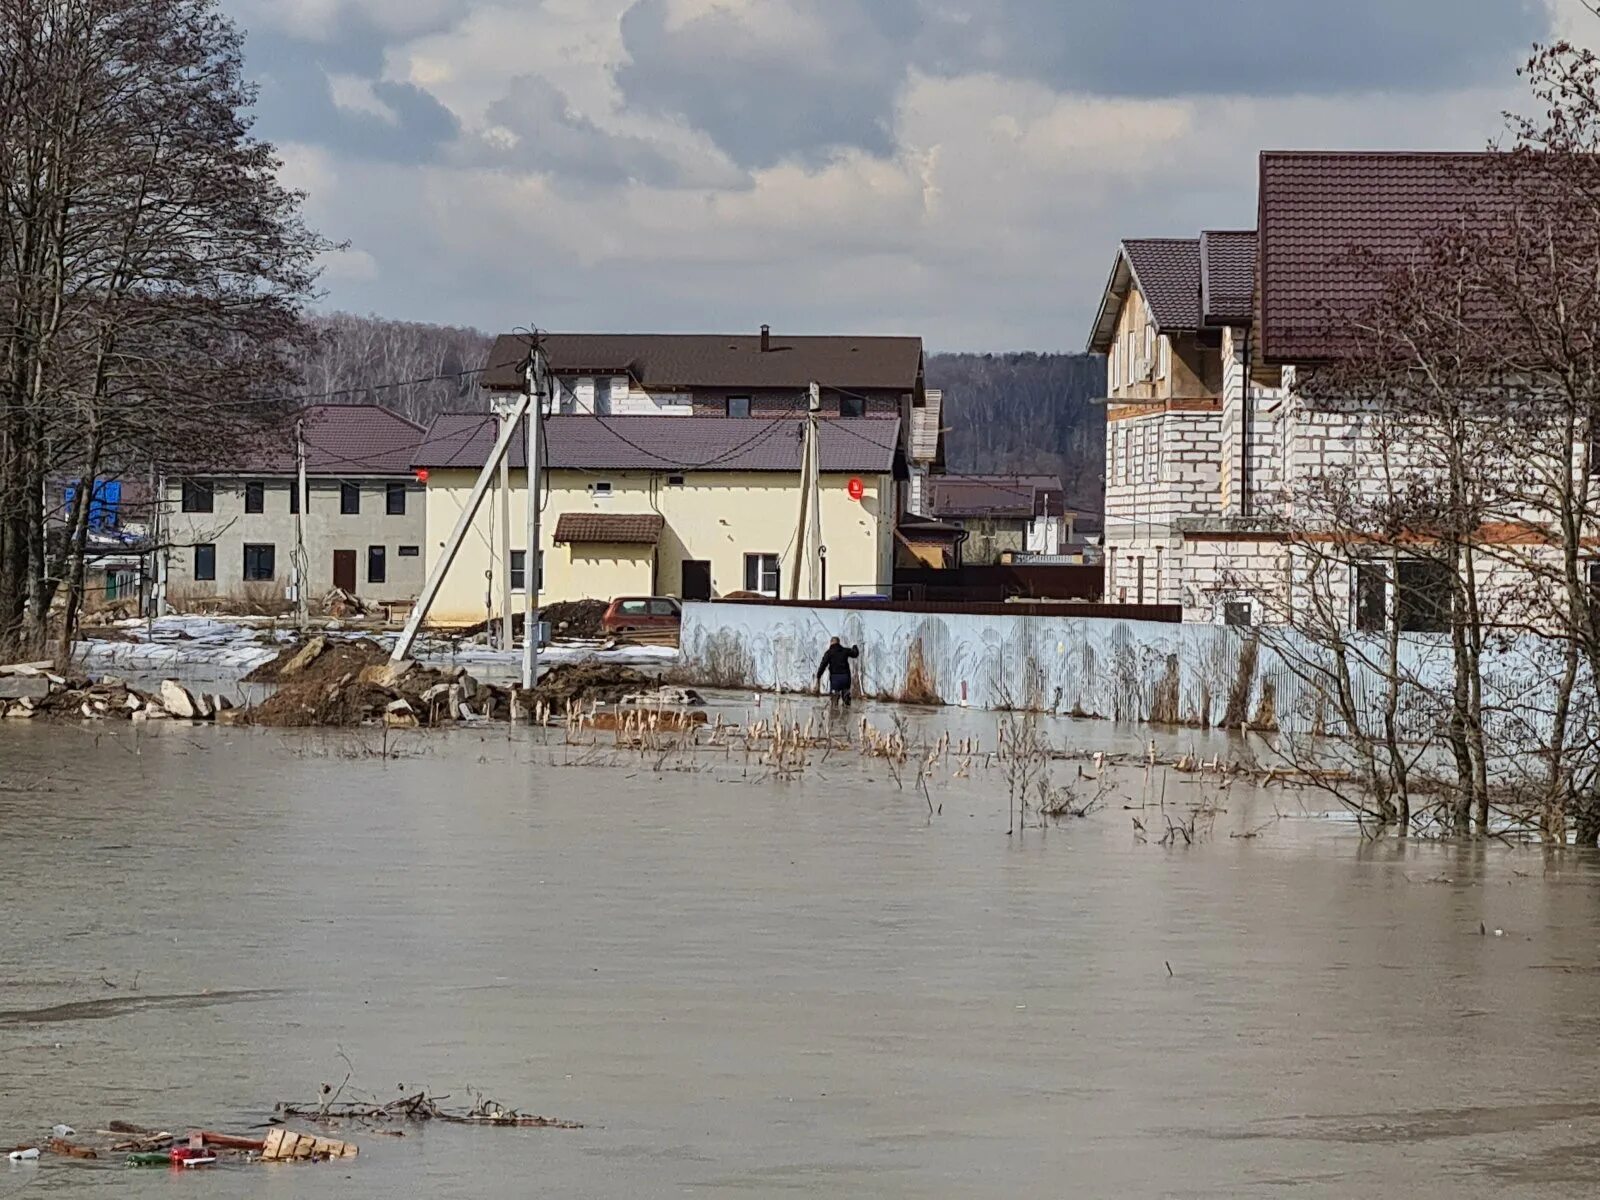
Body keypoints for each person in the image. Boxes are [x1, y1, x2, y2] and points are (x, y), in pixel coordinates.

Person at [815, 636, 860, 707]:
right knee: (846, 701)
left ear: (831, 642)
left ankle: (834, 713)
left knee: (834, 701)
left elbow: (823, 665)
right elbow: (855, 654)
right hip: (845, 678)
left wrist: (818, 676)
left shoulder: (829, 653)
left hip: (835, 679)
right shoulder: (845, 650)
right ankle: (847, 713)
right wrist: (855, 646)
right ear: (839, 642)